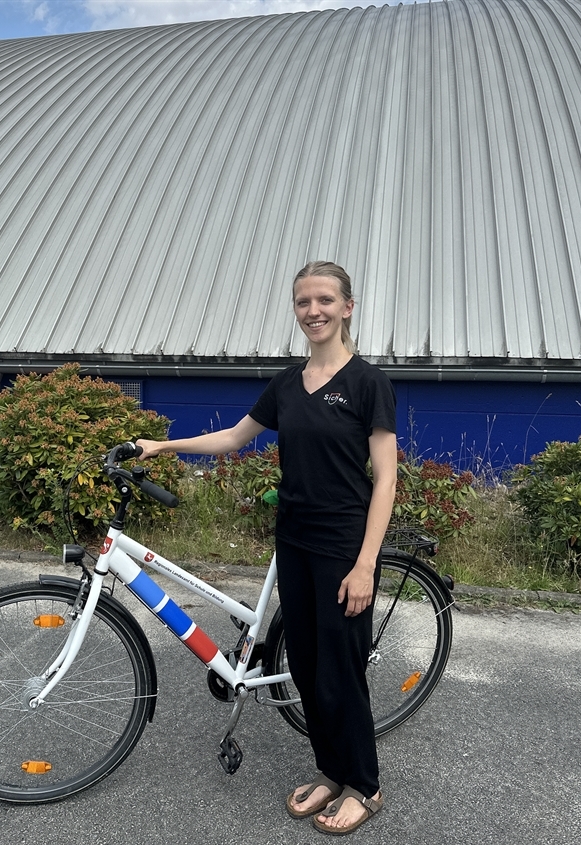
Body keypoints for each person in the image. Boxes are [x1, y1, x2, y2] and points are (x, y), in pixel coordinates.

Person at [137, 260, 397, 835]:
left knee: (341, 669)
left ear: (347, 307)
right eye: (304, 302)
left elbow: (385, 479)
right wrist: (162, 444)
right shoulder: (286, 382)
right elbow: (234, 437)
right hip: (295, 540)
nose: (314, 311)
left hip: (343, 543)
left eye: (325, 300)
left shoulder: (367, 383)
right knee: (304, 665)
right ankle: (331, 770)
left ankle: (367, 785)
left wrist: (364, 564)